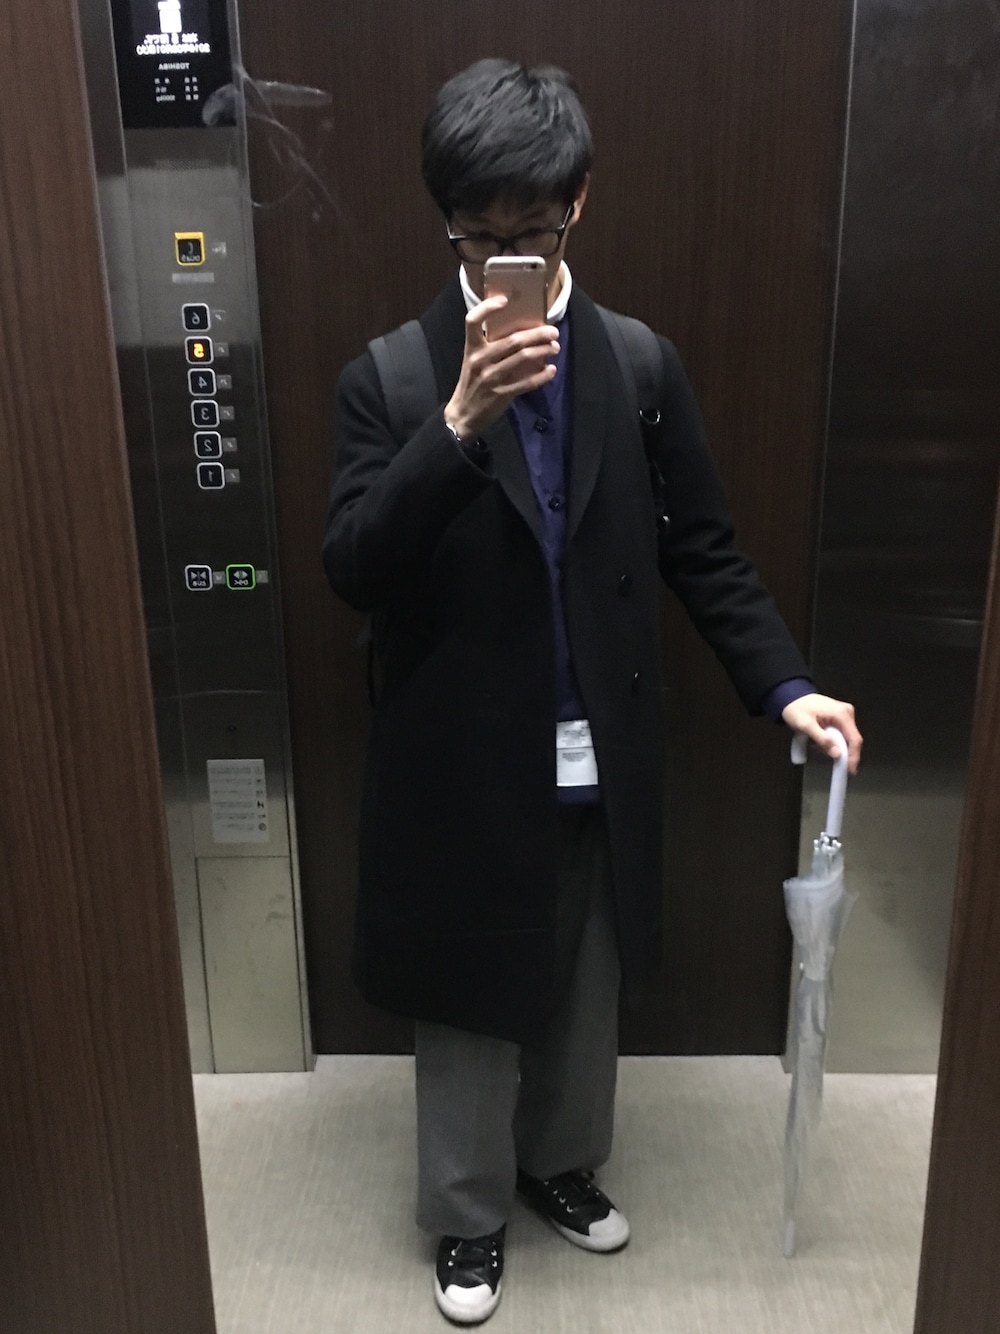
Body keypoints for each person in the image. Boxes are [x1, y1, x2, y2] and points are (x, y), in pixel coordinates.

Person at [323, 58, 862, 1326]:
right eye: (479, 235)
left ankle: (559, 1162)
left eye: (534, 231)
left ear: (579, 202)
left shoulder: (638, 362)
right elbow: (354, 567)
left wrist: (782, 681)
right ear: (446, 220)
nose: (505, 257)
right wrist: (458, 425)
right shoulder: (391, 376)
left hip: (602, 742)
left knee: (584, 981)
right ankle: (466, 1214)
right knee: (467, 1000)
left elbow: (702, 548)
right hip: (462, 756)